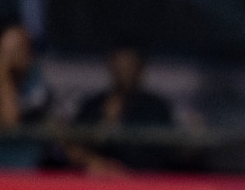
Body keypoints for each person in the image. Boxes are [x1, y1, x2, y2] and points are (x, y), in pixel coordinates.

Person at [67, 45, 176, 174]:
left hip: (141, 184)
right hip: (96, 183)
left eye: (130, 66)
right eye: (119, 65)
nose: (124, 72)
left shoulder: (156, 108)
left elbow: (164, 156)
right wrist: (93, 161)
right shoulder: (93, 105)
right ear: (111, 66)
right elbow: (73, 148)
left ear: (140, 68)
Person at [0, 23, 53, 169]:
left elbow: (16, 121)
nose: (13, 56)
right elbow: (7, 122)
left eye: (19, 48)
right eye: (6, 51)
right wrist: (2, 75)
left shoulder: (37, 87)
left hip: (25, 175)